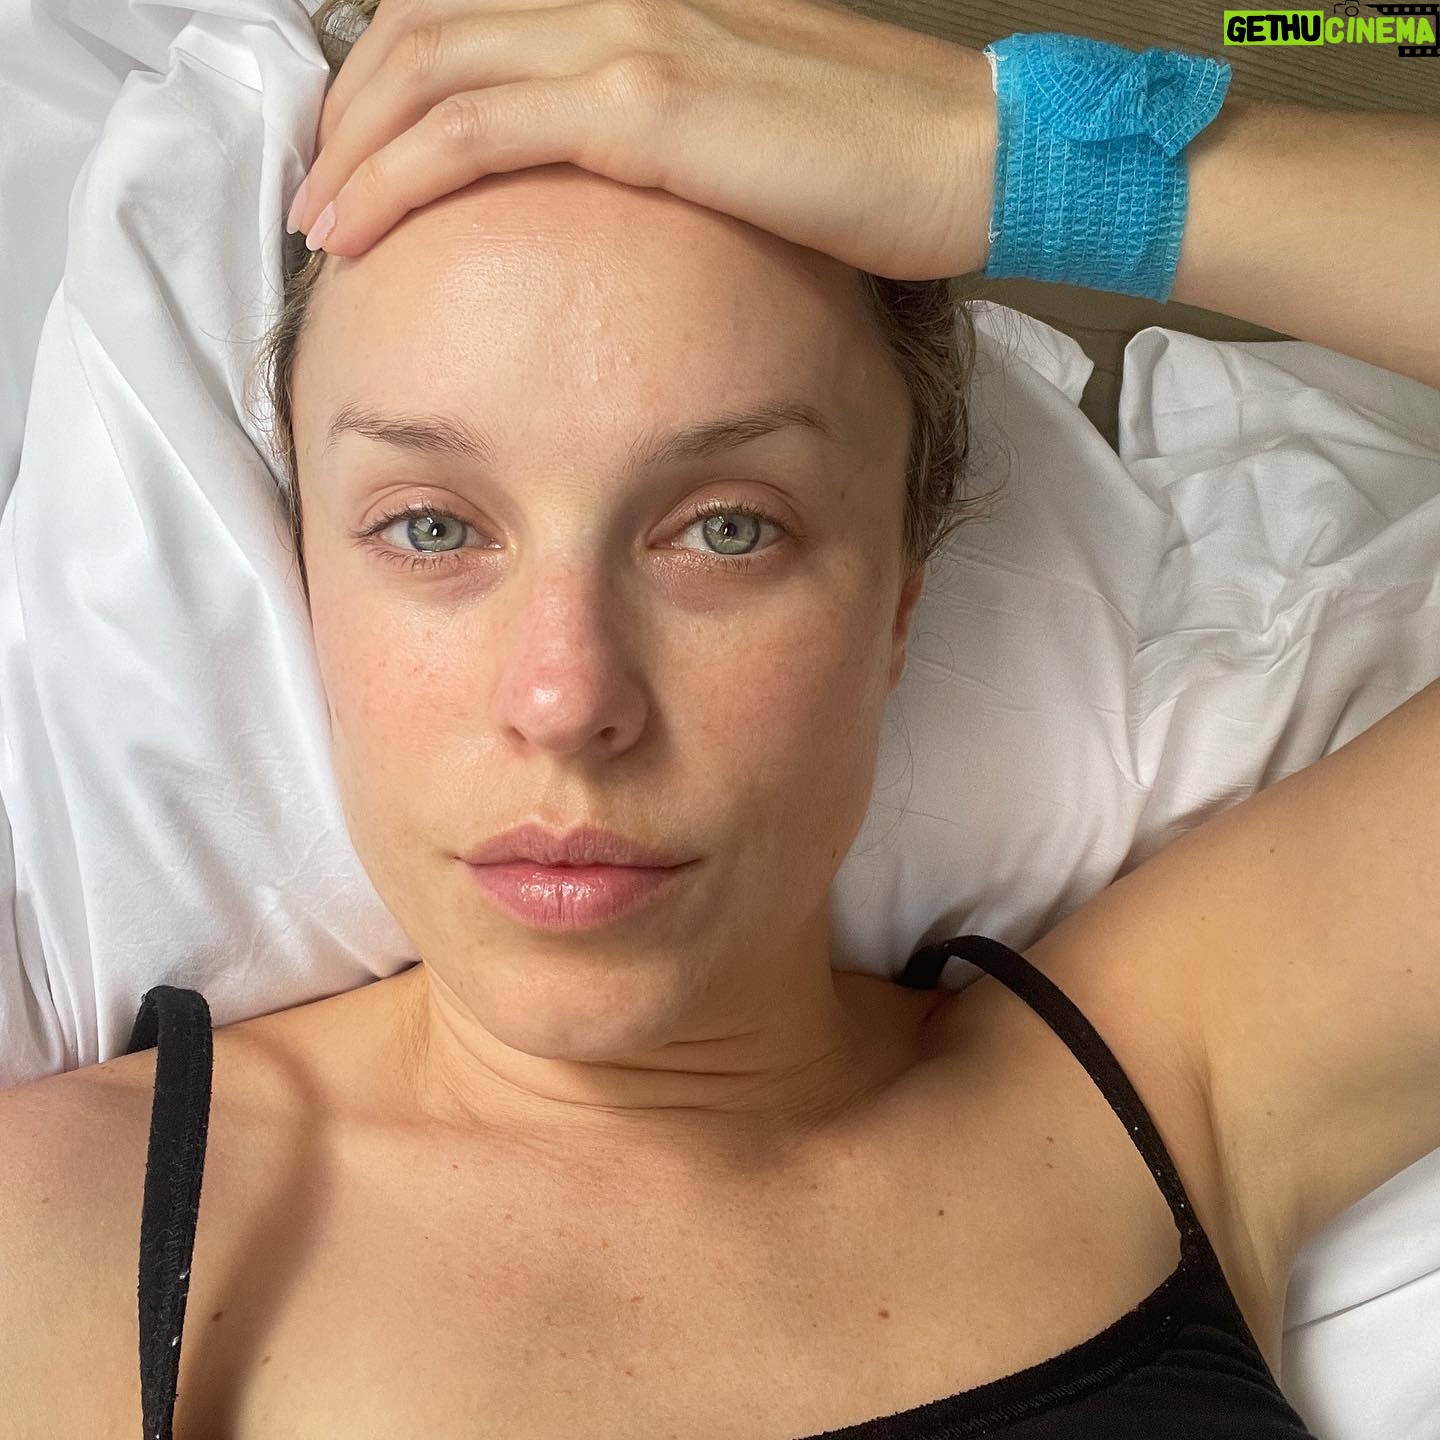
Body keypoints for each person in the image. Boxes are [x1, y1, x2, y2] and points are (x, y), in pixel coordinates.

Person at [4, 2, 1437, 1436]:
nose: (566, 699)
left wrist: (1022, 156)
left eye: (728, 529)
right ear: (305, 575)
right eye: (432, 526)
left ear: (899, 597)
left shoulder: (1157, 1091)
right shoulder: (61, 1246)